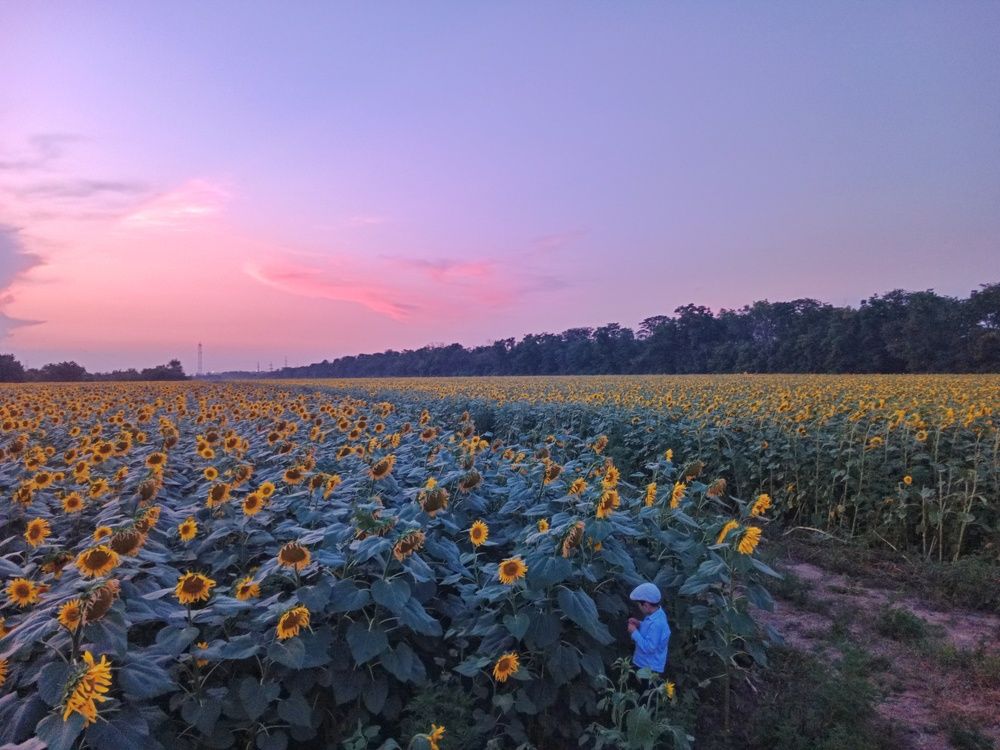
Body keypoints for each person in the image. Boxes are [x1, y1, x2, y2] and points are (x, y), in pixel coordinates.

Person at [627, 581, 670, 674]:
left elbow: (649, 648)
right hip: (644, 664)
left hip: (649, 669)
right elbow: (651, 631)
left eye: (639, 605)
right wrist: (639, 624)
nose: (638, 607)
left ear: (646, 605)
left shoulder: (657, 623)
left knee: (644, 689)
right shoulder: (657, 614)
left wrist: (634, 632)